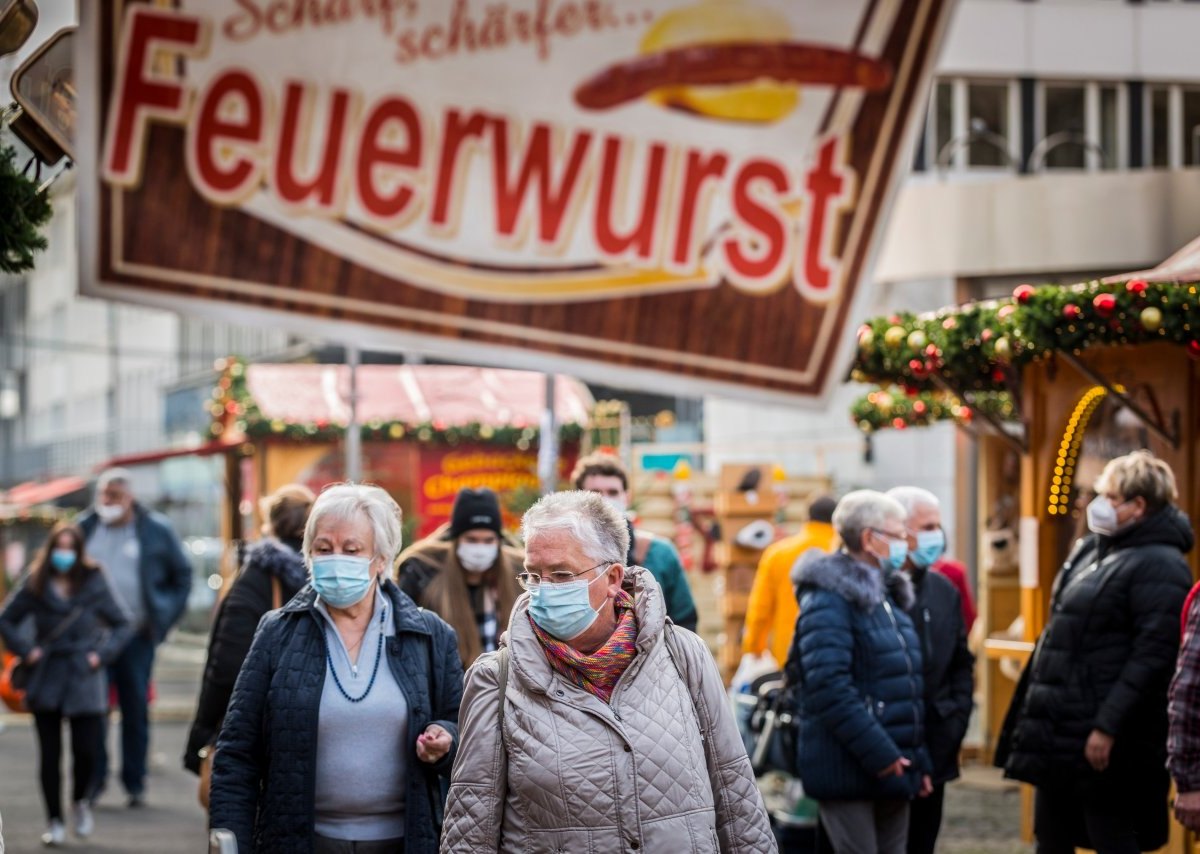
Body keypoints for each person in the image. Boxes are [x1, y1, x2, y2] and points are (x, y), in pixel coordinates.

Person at [441, 490, 776, 852]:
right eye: (534, 576)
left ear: (613, 577)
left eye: (561, 574)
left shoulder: (683, 654)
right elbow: (470, 827)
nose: (543, 591)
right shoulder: (496, 678)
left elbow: (736, 794)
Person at [209, 483, 463, 854]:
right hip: (299, 841)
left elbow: (463, 729)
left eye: (352, 549)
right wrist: (231, 840)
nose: (335, 559)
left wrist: (446, 739)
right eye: (323, 548)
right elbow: (237, 751)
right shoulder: (278, 632)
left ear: (380, 558)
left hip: (405, 840)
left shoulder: (429, 635)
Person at [999, 450, 1192, 854]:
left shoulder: (1162, 564)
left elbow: (1152, 658)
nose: (1096, 503)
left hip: (1109, 737)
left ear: (1138, 506)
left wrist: (1107, 725)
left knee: (1110, 831)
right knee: (1051, 835)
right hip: (1062, 728)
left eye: (1110, 495)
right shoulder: (1093, 550)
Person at [786, 489, 931, 854]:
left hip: (896, 768)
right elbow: (828, 686)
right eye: (899, 536)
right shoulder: (828, 599)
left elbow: (907, 686)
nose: (906, 545)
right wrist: (882, 754)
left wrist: (918, 761)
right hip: (850, 768)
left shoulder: (887, 596)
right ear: (870, 539)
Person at [0, 523, 134, 846]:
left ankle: (80, 802)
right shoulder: (36, 582)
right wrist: (26, 649)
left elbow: (123, 623)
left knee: (87, 751)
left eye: (70, 547)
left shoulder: (94, 580)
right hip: (47, 674)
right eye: (58, 547)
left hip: (83, 674)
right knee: (49, 755)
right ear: (50, 550)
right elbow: (6, 618)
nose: (64, 554)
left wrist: (99, 656)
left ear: (78, 551)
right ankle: (55, 820)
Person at [78, 467, 193, 807]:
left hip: (136, 636)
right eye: (102, 495)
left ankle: (134, 781)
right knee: (93, 711)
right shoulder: (85, 527)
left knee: (135, 709)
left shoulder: (156, 530)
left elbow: (182, 575)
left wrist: (164, 618)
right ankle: (93, 781)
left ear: (129, 497)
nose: (106, 502)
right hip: (93, 638)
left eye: (113, 496)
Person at [184, 484, 315, 781]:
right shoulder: (332, 578)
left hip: (262, 725)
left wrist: (204, 730)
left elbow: (227, 664)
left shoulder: (257, 577)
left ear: (269, 523)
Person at [887, 486, 975, 854]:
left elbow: (961, 664)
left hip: (936, 747)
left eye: (938, 526)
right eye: (928, 526)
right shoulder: (870, 589)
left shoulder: (942, 589)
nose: (937, 535)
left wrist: (954, 721)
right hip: (885, 756)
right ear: (899, 531)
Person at [571, 452, 698, 631]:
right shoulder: (566, 556)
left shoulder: (661, 554)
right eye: (595, 493)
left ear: (626, 498)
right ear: (578, 498)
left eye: (613, 492)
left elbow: (685, 622)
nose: (605, 500)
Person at [397, 487, 523, 667]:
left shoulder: (519, 574)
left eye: (488, 540)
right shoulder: (424, 575)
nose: (480, 549)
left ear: (498, 541)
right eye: (471, 540)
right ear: (455, 540)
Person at [741, 495, 837, 666]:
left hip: (788, 652)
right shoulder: (841, 554)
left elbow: (760, 608)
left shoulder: (778, 554)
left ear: (806, 518)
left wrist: (754, 647)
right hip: (836, 651)